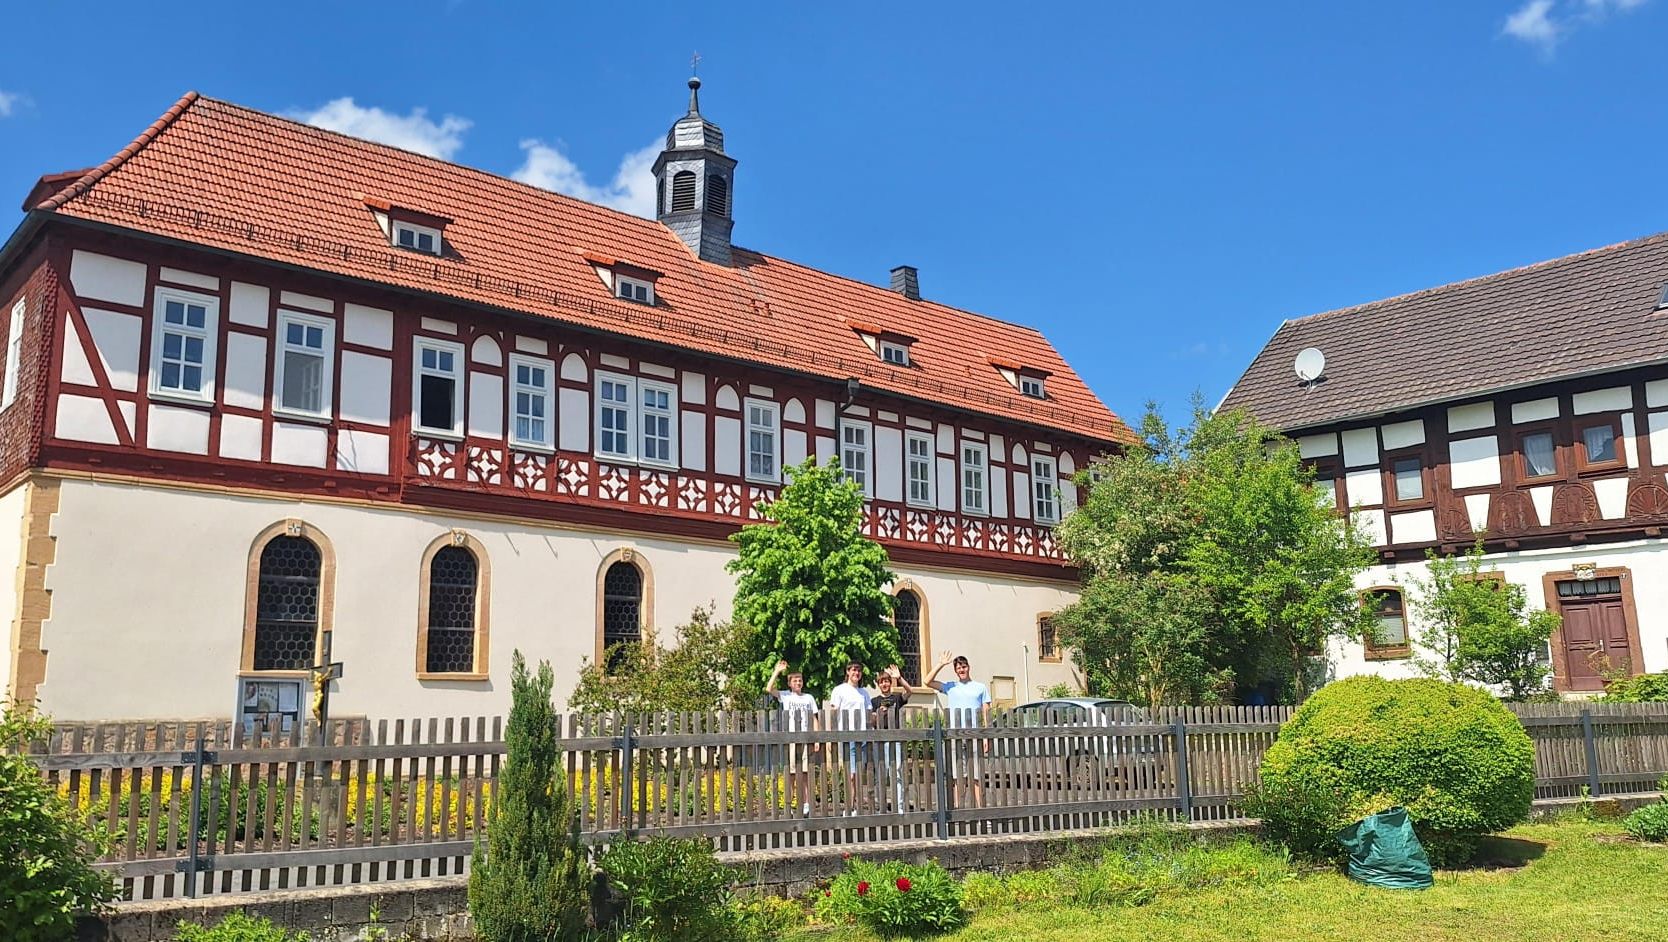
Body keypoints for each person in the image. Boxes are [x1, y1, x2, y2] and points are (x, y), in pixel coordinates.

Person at [925, 650, 992, 807]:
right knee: (957, 776)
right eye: (958, 668)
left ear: (969, 667)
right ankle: (958, 809)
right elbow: (927, 681)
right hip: (955, 736)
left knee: (976, 775)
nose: (962, 670)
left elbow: (986, 712)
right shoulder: (950, 686)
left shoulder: (980, 687)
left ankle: (981, 810)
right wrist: (941, 664)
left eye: (964, 667)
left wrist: (986, 736)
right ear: (955, 671)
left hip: (975, 735)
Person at [765, 659, 818, 817]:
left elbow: (815, 718)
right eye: (795, 680)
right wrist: (777, 671)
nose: (798, 682)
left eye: (800, 680)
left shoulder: (809, 698)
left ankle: (807, 804)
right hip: (792, 738)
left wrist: (816, 738)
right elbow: (769, 689)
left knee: (806, 772)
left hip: (806, 737)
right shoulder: (786, 696)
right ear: (789, 684)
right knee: (792, 773)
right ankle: (791, 804)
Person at [827, 661, 873, 814]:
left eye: (859, 670)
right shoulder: (839, 690)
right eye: (853, 670)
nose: (856, 673)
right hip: (848, 736)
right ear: (847, 672)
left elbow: (869, 714)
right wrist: (829, 735)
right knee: (851, 774)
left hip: (864, 736)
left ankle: (856, 806)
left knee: (860, 773)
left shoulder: (864, 693)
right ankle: (850, 806)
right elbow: (834, 712)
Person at [869, 664, 913, 810]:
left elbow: (909, 691)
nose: (884, 684)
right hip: (880, 741)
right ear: (878, 684)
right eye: (882, 682)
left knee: (897, 772)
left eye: (887, 681)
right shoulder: (874, 701)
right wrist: (879, 713)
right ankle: (881, 806)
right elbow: (872, 721)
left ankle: (898, 805)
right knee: (881, 773)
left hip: (895, 740)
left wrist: (899, 678)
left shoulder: (897, 698)